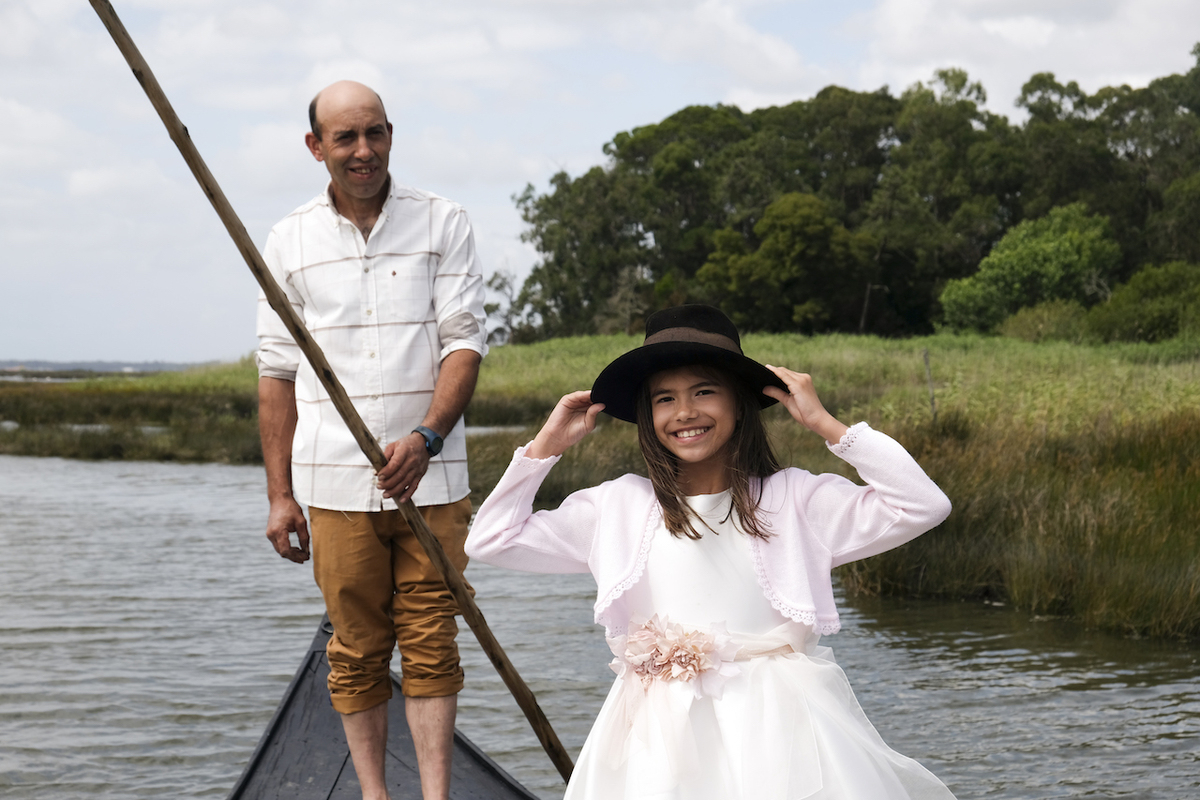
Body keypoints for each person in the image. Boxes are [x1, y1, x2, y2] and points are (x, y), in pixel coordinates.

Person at [466, 304, 958, 799]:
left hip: (778, 737)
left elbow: (923, 505)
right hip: (656, 747)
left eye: (704, 391)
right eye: (664, 398)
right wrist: (544, 448)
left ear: (740, 402)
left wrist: (828, 425)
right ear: (647, 415)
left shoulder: (796, 500)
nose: (685, 412)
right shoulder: (617, 507)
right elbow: (490, 539)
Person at [255, 80, 488, 800]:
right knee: (355, 649)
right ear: (315, 146)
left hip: (434, 479)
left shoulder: (443, 221)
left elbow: (464, 343)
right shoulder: (289, 239)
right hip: (332, 481)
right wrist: (280, 496)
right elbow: (276, 372)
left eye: (375, 133)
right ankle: (375, 795)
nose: (364, 151)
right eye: (346, 137)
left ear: (390, 135)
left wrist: (427, 437)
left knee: (432, 641)